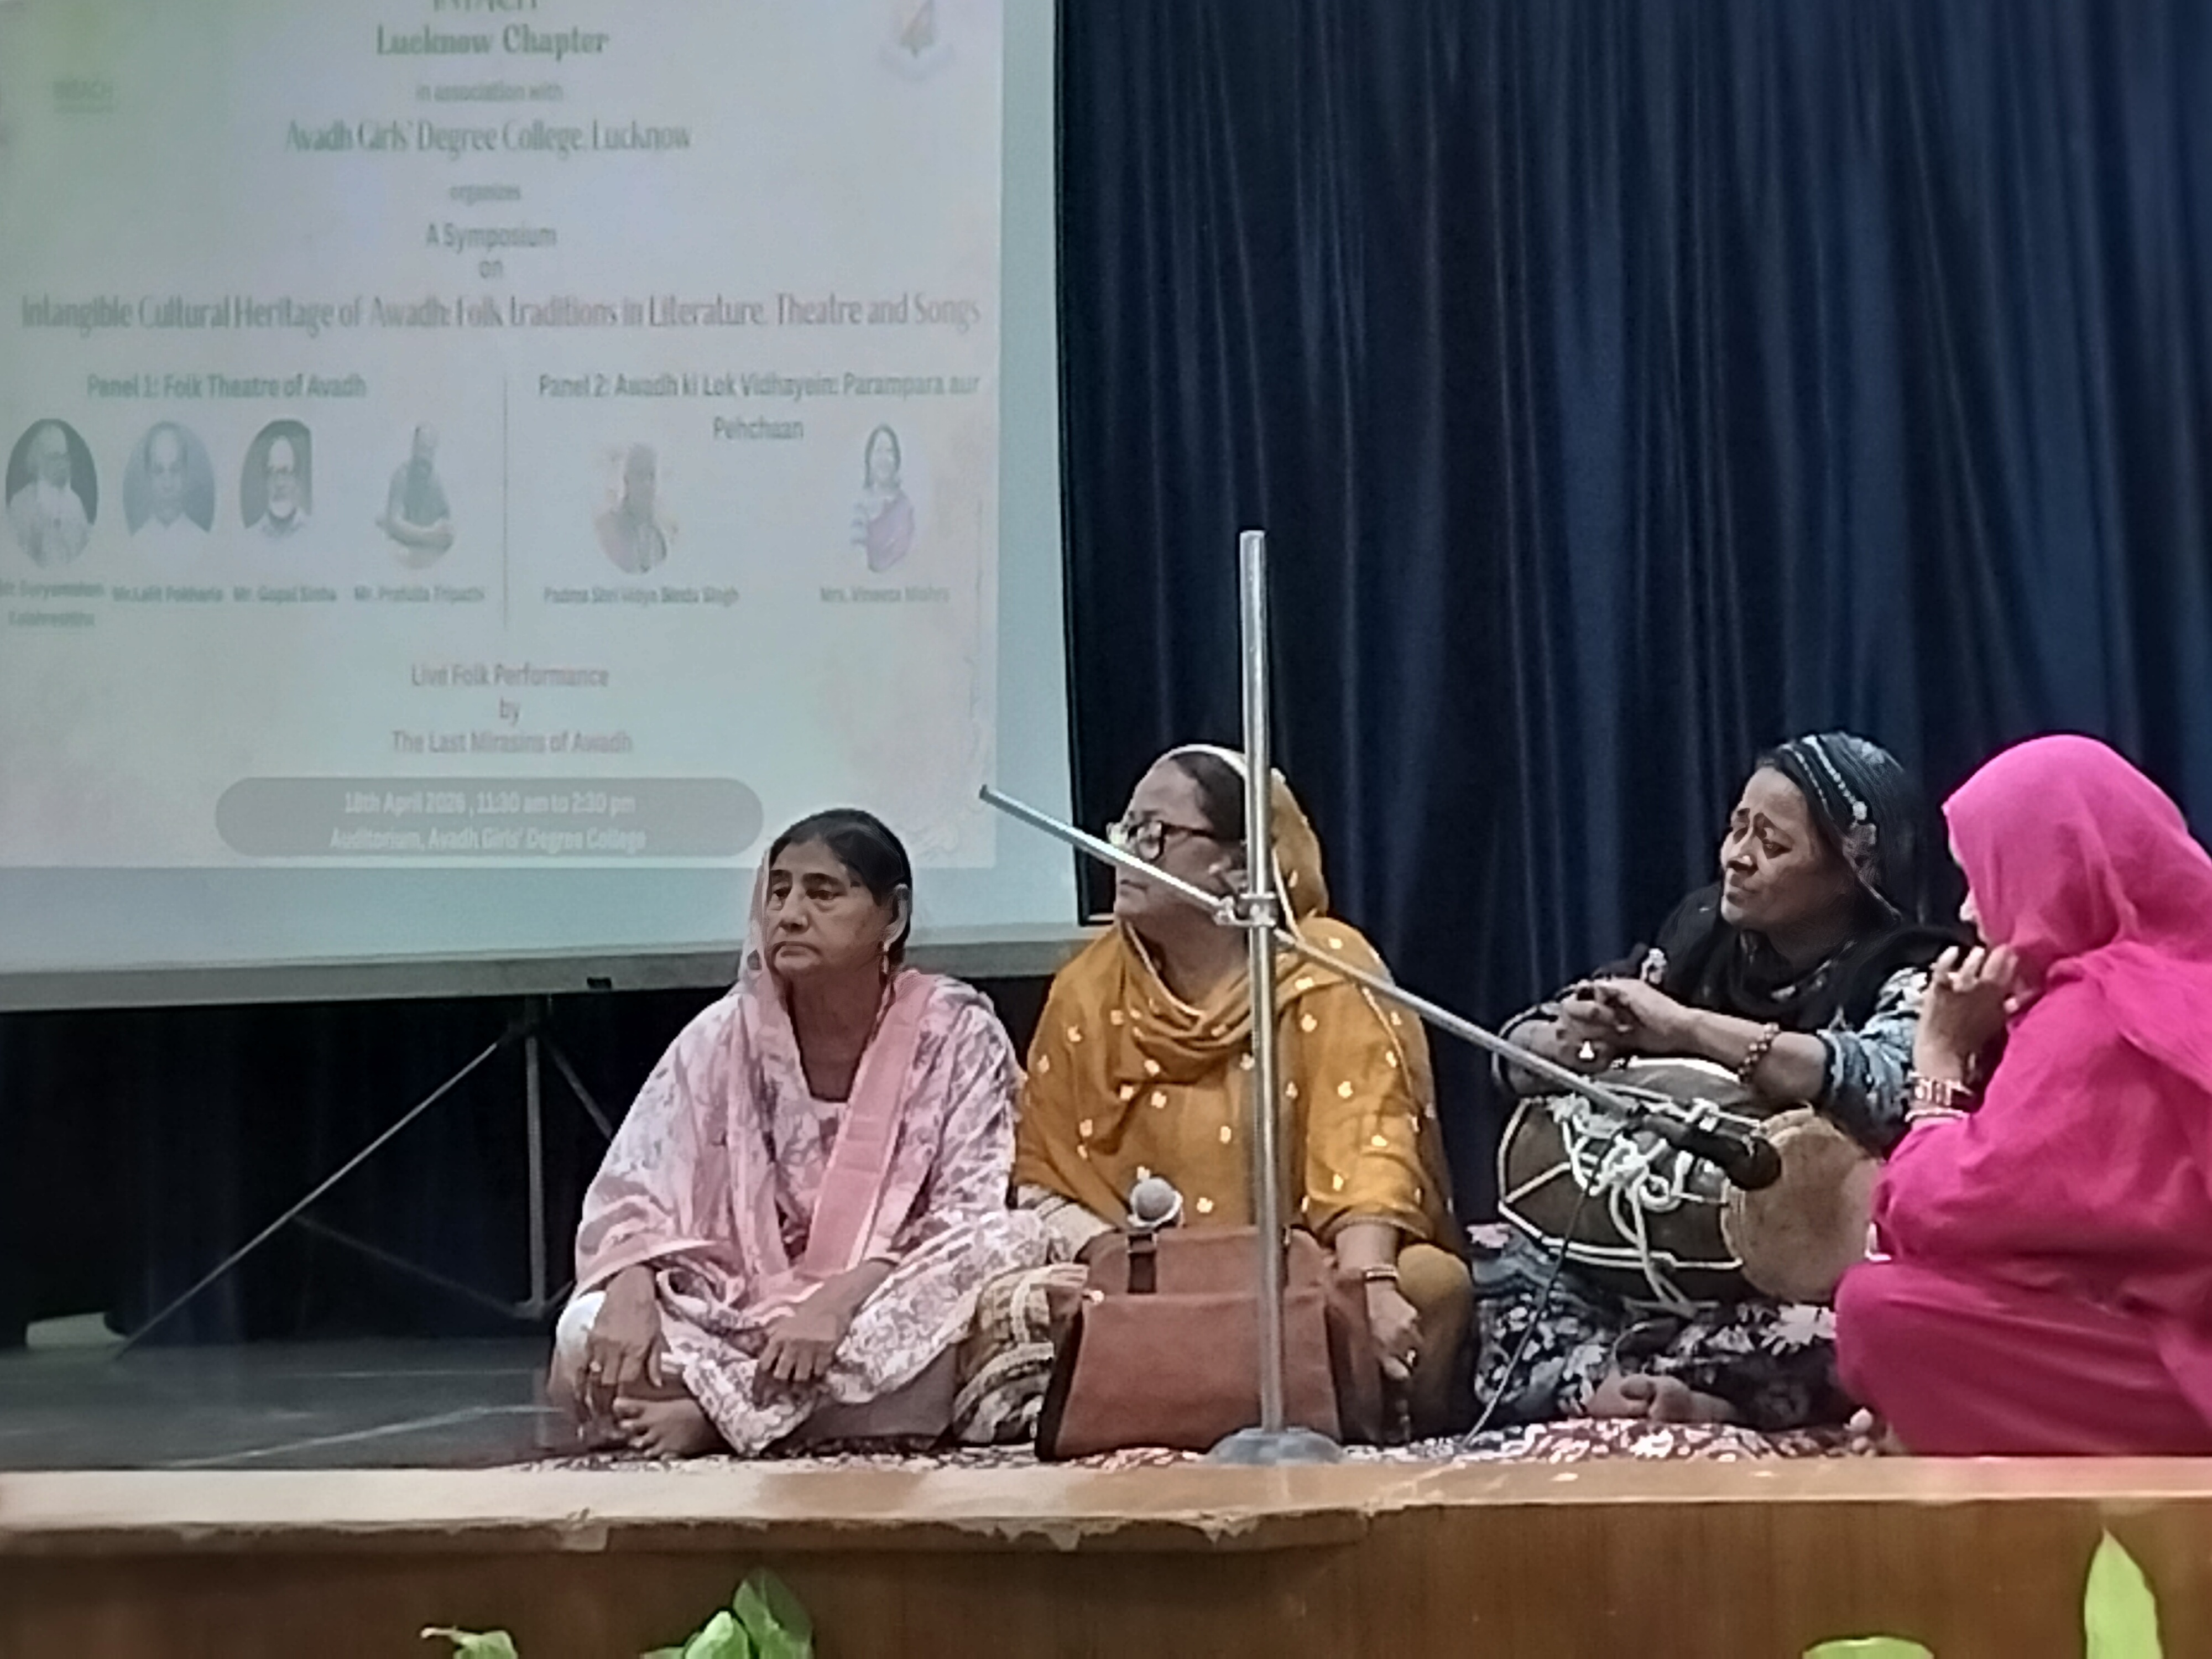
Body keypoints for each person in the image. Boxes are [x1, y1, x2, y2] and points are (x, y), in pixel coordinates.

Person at [979, 744, 1470, 1440]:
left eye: (1155, 834)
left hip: (1300, 1276)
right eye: (1124, 830)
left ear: (1239, 865)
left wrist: (1368, 1283)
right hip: (1141, 1281)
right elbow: (1043, 1180)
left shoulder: (1326, 969)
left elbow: (1368, 1149)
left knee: (1429, 1284)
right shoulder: (1086, 989)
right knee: (1013, 1302)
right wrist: (1132, 1270)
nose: (1123, 852)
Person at [1480, 733, 1954, 1430]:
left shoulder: (1910, 969)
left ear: (1850, 875)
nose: (1737, 855)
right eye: (1738, 826)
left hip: (1793, 1283)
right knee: (1504, 1274)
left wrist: (1687, 1029)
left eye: (1773, 843)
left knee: (1853, 1326)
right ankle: (1618, 1390)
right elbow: (1512, 1055)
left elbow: (1887, 1080)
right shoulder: (1701, 933)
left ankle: (1684, 1394)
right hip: (1647, 1263)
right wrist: (1570, 1037)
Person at [551, 810, 1047, 1455]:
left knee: (1010, 1243)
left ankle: (718, 1417)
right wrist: (630, 1287)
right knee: (585, 1330)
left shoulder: (957, 1033)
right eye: (778, 892)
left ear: (893, 916)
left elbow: (966, 1213)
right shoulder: (722, 1036)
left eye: (822, 893)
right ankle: (801, 1412)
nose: (788, 914)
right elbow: (635, 1194)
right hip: (737, 1308)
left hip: (879, 1301)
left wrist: (835, 1304)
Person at [1837, 735, 2212, 1455]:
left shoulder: (2097, 1013)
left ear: (2047, 873)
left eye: (1982, 878)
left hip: (2192, 1379)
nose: (1971, 911)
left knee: (1881, 1308)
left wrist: (1940, 1061)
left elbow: (1938, 1219)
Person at [7, 422, 92, 566]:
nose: (62, 464)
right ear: (39, 460)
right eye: (55, 457)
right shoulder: (21, 502)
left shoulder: (75, 502)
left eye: (65, 457)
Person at [377, 424, 453, 566]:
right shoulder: (402, 476)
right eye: (422, 447)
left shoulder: (434, 480)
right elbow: (395, 523)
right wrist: (429, 535)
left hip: (428, 550)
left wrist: (439, 530)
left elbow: (445, 518)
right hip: (404, 546)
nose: (425, 452)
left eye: (429, 448)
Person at [130, 422, 210, 555]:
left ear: (185, 473)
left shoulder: (203, 542)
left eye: (175, 470)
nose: (168, 485)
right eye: (158, 471)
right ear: (148, 476)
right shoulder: (135, 544)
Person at [850, 424, 915, 572]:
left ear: (897, 460)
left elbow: (907, 556)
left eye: (889, 452)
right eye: (878, 451)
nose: (884, 459)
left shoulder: (905, 507)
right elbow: (856, 556)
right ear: (869, 458)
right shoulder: (861, 505)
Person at [596, 444, 669, 574]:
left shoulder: (661, 536)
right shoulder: (607, 529)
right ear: (627, 481)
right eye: (640, 476)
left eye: (651, 477)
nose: (647, 484)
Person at [252, 432, 310, 539]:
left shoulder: (313, 531)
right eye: (273, 473)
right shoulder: (252, 536)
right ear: (265, 481)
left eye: (285, 472)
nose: (280, 483)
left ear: (296, 479)